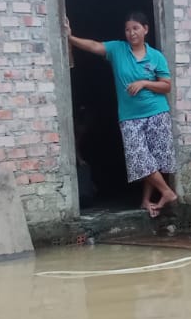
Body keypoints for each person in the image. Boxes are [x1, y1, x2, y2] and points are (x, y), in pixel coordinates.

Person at [64, 12, 178, 216]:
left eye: (135, 28)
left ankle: (145, 200)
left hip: (157, 113)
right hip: (130, 116)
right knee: (140, 158)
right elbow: (93, 45)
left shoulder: (156, 56)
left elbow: (166, 86)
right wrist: (71, 38)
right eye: (127, 29)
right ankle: (167, 192)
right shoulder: (118, 50)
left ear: (145, 29)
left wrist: (144, 83)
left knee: (152, 160)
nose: (131, 33)